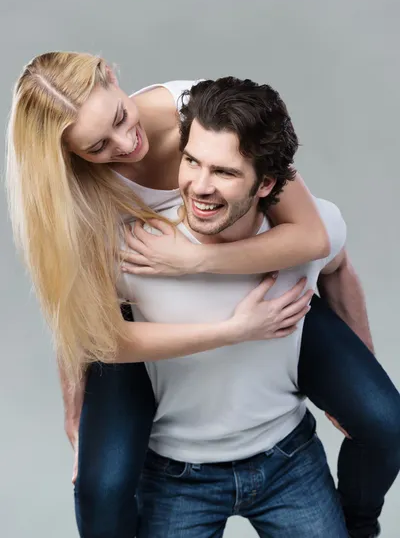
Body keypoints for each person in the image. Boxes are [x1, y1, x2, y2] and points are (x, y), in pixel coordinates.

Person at [6, 53, 399, 537]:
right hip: (137, 326)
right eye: (97, 147)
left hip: (248, 283)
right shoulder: (70, 191)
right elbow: (84, 324)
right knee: (101, 488)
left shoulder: (205, 115)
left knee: (385, 420)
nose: (125, 144)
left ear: (110, 73)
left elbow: (315, 238)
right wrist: (75, 404)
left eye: (119, 119)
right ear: (69, 154)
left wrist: (194, 260)